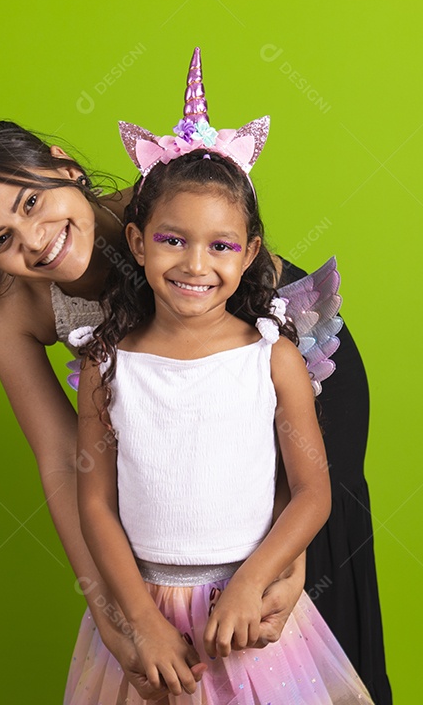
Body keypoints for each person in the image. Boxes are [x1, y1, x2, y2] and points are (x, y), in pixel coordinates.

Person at [0, 49, 391, 702]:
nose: (35, 238)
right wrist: (114, 614)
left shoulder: (162, 201)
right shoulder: (8, 312)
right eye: (0, 239)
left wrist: (286, 561)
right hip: (175, 412)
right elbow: (64, 462)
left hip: (290, 355)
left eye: (32, 202)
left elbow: (270, 414)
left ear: (64, 166)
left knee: (304, 602)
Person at [67, 117, 374, 700]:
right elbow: (96, 503)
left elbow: (312, 491)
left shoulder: (273, 359)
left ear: (250, 252)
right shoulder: (105, 365)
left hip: (247, 607)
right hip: (148, 607)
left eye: (221, 246)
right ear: (138, 241)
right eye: (172, 240)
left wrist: (251, 583)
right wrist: (142, 621)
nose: (195, 264)